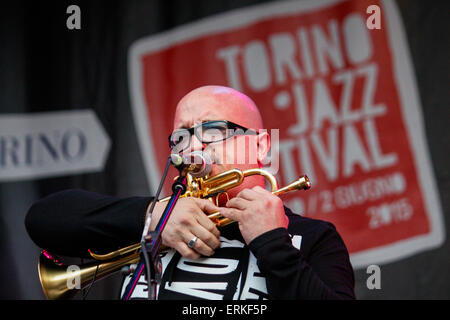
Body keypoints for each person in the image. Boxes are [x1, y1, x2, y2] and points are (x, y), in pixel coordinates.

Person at [25, 85, 355, 300]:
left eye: (212, 130)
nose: (192, 147)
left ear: (261, 144)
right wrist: (154, 216)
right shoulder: (153, 226)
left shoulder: (311, 237)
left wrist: (272, 243)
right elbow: (44, 219)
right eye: (180, 137)